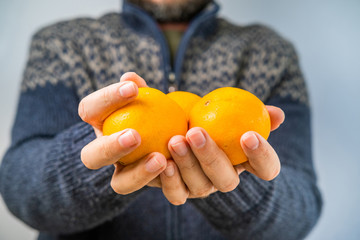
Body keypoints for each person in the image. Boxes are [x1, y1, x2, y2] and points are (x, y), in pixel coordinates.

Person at [0, 0, 322, 239]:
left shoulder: (270, 53)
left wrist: (232, 182)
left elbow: (301, 211)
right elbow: (20, 187)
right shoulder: (62, 44)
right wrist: (107, 156)